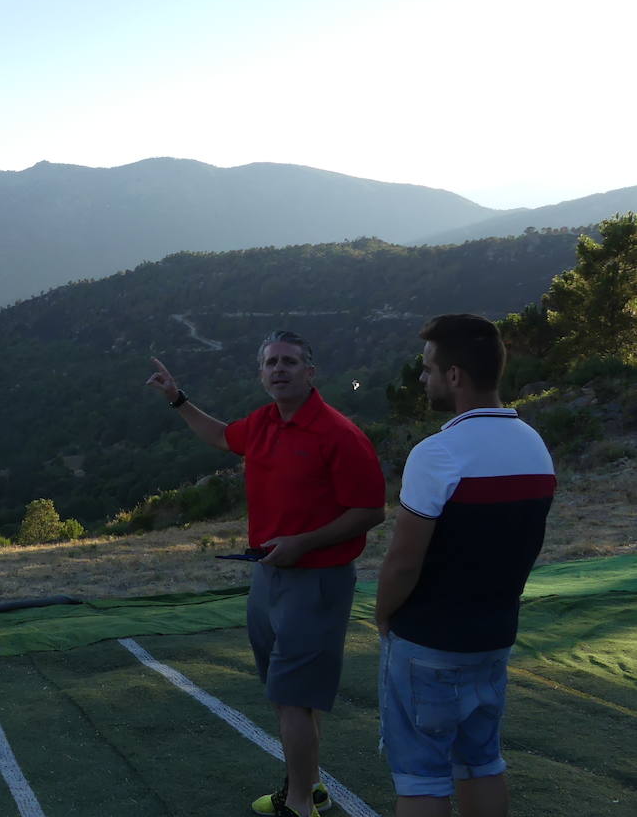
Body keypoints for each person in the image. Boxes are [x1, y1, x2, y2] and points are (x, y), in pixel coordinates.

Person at [147, 330, 385, 817]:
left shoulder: (339, 434)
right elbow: (219, 435)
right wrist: (178, 400)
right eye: (271, 362)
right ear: (261, 374)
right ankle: (311, 787)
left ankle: (298, 805)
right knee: (286, 696)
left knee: (293, 696)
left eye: (290, 362)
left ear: (310, 372)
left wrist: (303, 544)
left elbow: (369, 510)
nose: (279, 369)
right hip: (268, 577)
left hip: (317, 580)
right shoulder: (263, 424)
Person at [375, 314, 555, 816]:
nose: (422, 378)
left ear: (454, 376)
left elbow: (403, 562)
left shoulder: (438, 453)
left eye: (429, 368)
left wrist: (383, 614)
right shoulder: (535, 447)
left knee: (421, 778)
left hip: (429, 640)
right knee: (481, 761)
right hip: (494, 637)